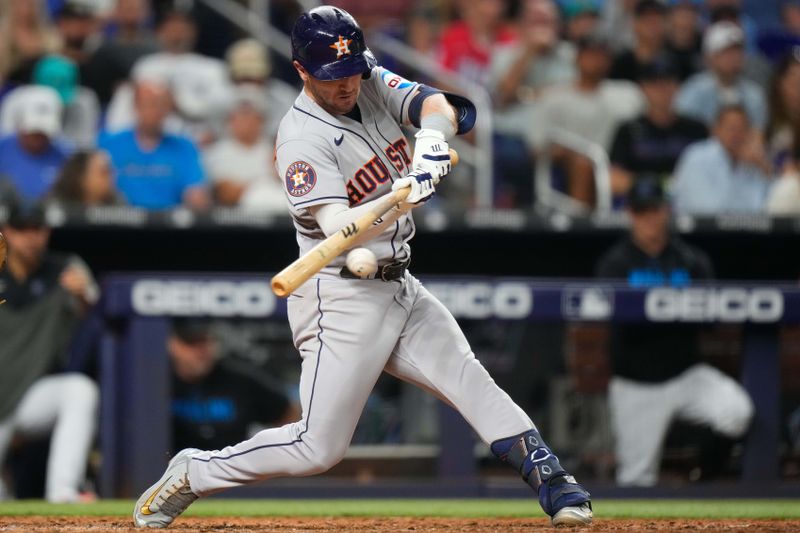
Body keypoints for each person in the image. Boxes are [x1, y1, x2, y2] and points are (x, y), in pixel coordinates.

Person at [133, 5, 592, 529]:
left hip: (399, 282)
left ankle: (554, 481)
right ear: (302, 71)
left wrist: (432, 142)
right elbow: (337, 228)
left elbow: (436, 104)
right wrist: (402, 197)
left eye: (351, 70)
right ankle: (195, 471)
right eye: (332, 76)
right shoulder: (299, 138)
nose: (346, 83)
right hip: (340, 294)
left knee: (469, 379)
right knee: (317, 448)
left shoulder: (366, 76)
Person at [595, 175, 754, 486]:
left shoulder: (691, 260)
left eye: (654, 209)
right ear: (630, 214)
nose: (649, 218)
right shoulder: (615, 263)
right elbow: (620, 323)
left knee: (737, 412)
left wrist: (666, 311)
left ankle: (701, 473)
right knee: (636, 480)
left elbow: (711, 319)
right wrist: (671, 309)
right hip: (636, 384)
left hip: (686, 374)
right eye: (641, 211)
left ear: (666, 210)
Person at [0, 199, 100, 502]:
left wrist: (84, 296)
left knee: (80, 390)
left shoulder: (64, 269)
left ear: (47, 232)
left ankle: (63, 493)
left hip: (29, 394)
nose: (30, 237)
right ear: (6, 232)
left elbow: (95, 316)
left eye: (37, 229)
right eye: (21, 229)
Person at [538, 31, 644, 207]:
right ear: (577, 58)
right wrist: (568, 153)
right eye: (591, 54)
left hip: (620, 164)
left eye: (602, 54)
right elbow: (537, 148)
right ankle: (584, 229)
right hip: (573, 168)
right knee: (584, 165)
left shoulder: (628, 93)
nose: (596, 60)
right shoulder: (554, 97)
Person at [168, 318, 298, 453]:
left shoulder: (239, 379)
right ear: (172, 344)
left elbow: (289, 413)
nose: (201, 351)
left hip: (230, 468)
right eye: (192, 343)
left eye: (205, 341)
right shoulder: (156, 381)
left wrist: (270, 454)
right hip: (170, 469)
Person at [608, 55, 708, 202]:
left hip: (689, 205)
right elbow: (615, 180)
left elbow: (710, 173)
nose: (662, 90)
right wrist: (664, 185)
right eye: (655, 84)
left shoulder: (696, 129)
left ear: (677, 87)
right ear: (643, 88)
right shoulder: (628, 129)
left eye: (668, 82)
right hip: (643, 206)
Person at [99, 80, 210, 210]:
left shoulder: (184, 147)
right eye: (148, 104)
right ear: (135, 105)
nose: (155, 110)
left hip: (168, 222)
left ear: (169, 109)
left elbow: (196, 192)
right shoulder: (108, 144)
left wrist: (197, 199)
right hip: (118, 219)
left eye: (161, 104)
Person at [673, 105, 771, 214]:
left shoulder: (753, 162)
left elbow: (764, 208)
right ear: (716, 129)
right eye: (731, 128)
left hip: (745, 229)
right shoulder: (697, 157)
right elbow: (707, 211)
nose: (736, 135)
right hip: (699, 229)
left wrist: (764, 167)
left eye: (742, 129)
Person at [203, 87, 284, 212]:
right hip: (232, 221)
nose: (246, 122)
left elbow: (291, 188)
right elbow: (226, 194)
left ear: (261, 120)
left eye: (251, 115)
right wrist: (261, 185)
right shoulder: (216, 152)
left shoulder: (275, 151)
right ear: (230, 120)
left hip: (277, 218)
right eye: (241, 116)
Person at [675, 21, 767, 130]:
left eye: (737, 51)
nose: (733, 57)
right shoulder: (693, 91)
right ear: (709, 57)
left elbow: (757, 134)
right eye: (726, 52)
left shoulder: (754, 95)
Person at [0, 85, 70, 201]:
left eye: (44, 132)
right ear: (20, 123)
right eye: (33, 131)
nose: (38, 137)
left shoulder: (65, 156)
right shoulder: (2, 149)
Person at [608, 0, 674, 83]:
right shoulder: (620, 64)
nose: (652, 25)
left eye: (657, 19)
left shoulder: (676, 60)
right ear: (634, 24)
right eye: (647, 20)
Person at [49, 149, 120, 207]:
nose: (111, 177)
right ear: (81, 177)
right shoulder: (52, 209)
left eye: (111, 172)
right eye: (103, 173)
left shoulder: (118, 208)